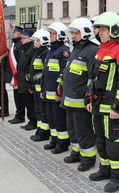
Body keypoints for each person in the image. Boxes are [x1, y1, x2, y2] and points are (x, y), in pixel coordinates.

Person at [86, 12, 119, 192]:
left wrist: (118, 107)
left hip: (113, 109)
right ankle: (105, 170)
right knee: (101, 141)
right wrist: (88, 98)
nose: (100, 32)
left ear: (114, 30)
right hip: (98, 107)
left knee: (114, 144)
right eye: (99, 29)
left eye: (104, 29)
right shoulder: (102, 50)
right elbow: (93, 78)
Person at [61, 18, 99, 172]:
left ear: (85, 32)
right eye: (72, 32)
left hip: (80, 101)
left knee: (84, 131)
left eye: (76, 32)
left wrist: (88, 96)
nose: (73, 35)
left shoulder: (92, 50)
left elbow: (93, 76)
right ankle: (76, 153)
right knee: (73, 130)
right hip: (70, 100)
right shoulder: (76, 48)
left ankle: (88, 159)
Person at [41, 22, 70, 154]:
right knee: (51, 119)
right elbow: (46, 73)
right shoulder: (51, 50)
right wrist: (42, 90)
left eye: (53, 34)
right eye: (50, 33)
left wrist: (59, 92)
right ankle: (54, 140)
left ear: (60, 35)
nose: (50, 36)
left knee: (59, 120)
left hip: (56, 94)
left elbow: (63, 74)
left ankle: (62, 143)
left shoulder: (63, 51)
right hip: (47, 92)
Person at [29, 29, 51, 141]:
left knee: (43, 111)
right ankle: (39, 129)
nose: (35, 43)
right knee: (38, 110)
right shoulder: (37, 52)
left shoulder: (45, 53)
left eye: (37, 40)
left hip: (42, 88)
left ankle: (44, 133)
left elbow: (45, 72)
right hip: (36, 88)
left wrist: (38, 78)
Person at [16, 30, 37, 130]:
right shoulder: (24, 49)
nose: (22, 40)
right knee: (26, 102)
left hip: (27, 82)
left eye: (23, 38)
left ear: (29, 39)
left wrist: (28, 80)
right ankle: (30, 120)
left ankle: (33, 122)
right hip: (22, 81)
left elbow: (31, 67)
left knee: (30, 103)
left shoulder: (31, 49)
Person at [8, 26, 26, 124]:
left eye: (14, 32)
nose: (13, 34)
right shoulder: (15, 45)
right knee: (16, 97)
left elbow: (19, 61)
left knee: (19, 98)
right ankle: (18, 114)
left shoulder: (19, 45)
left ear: (18, 34)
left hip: (18, 76)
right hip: (15, 76)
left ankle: (20, 115)